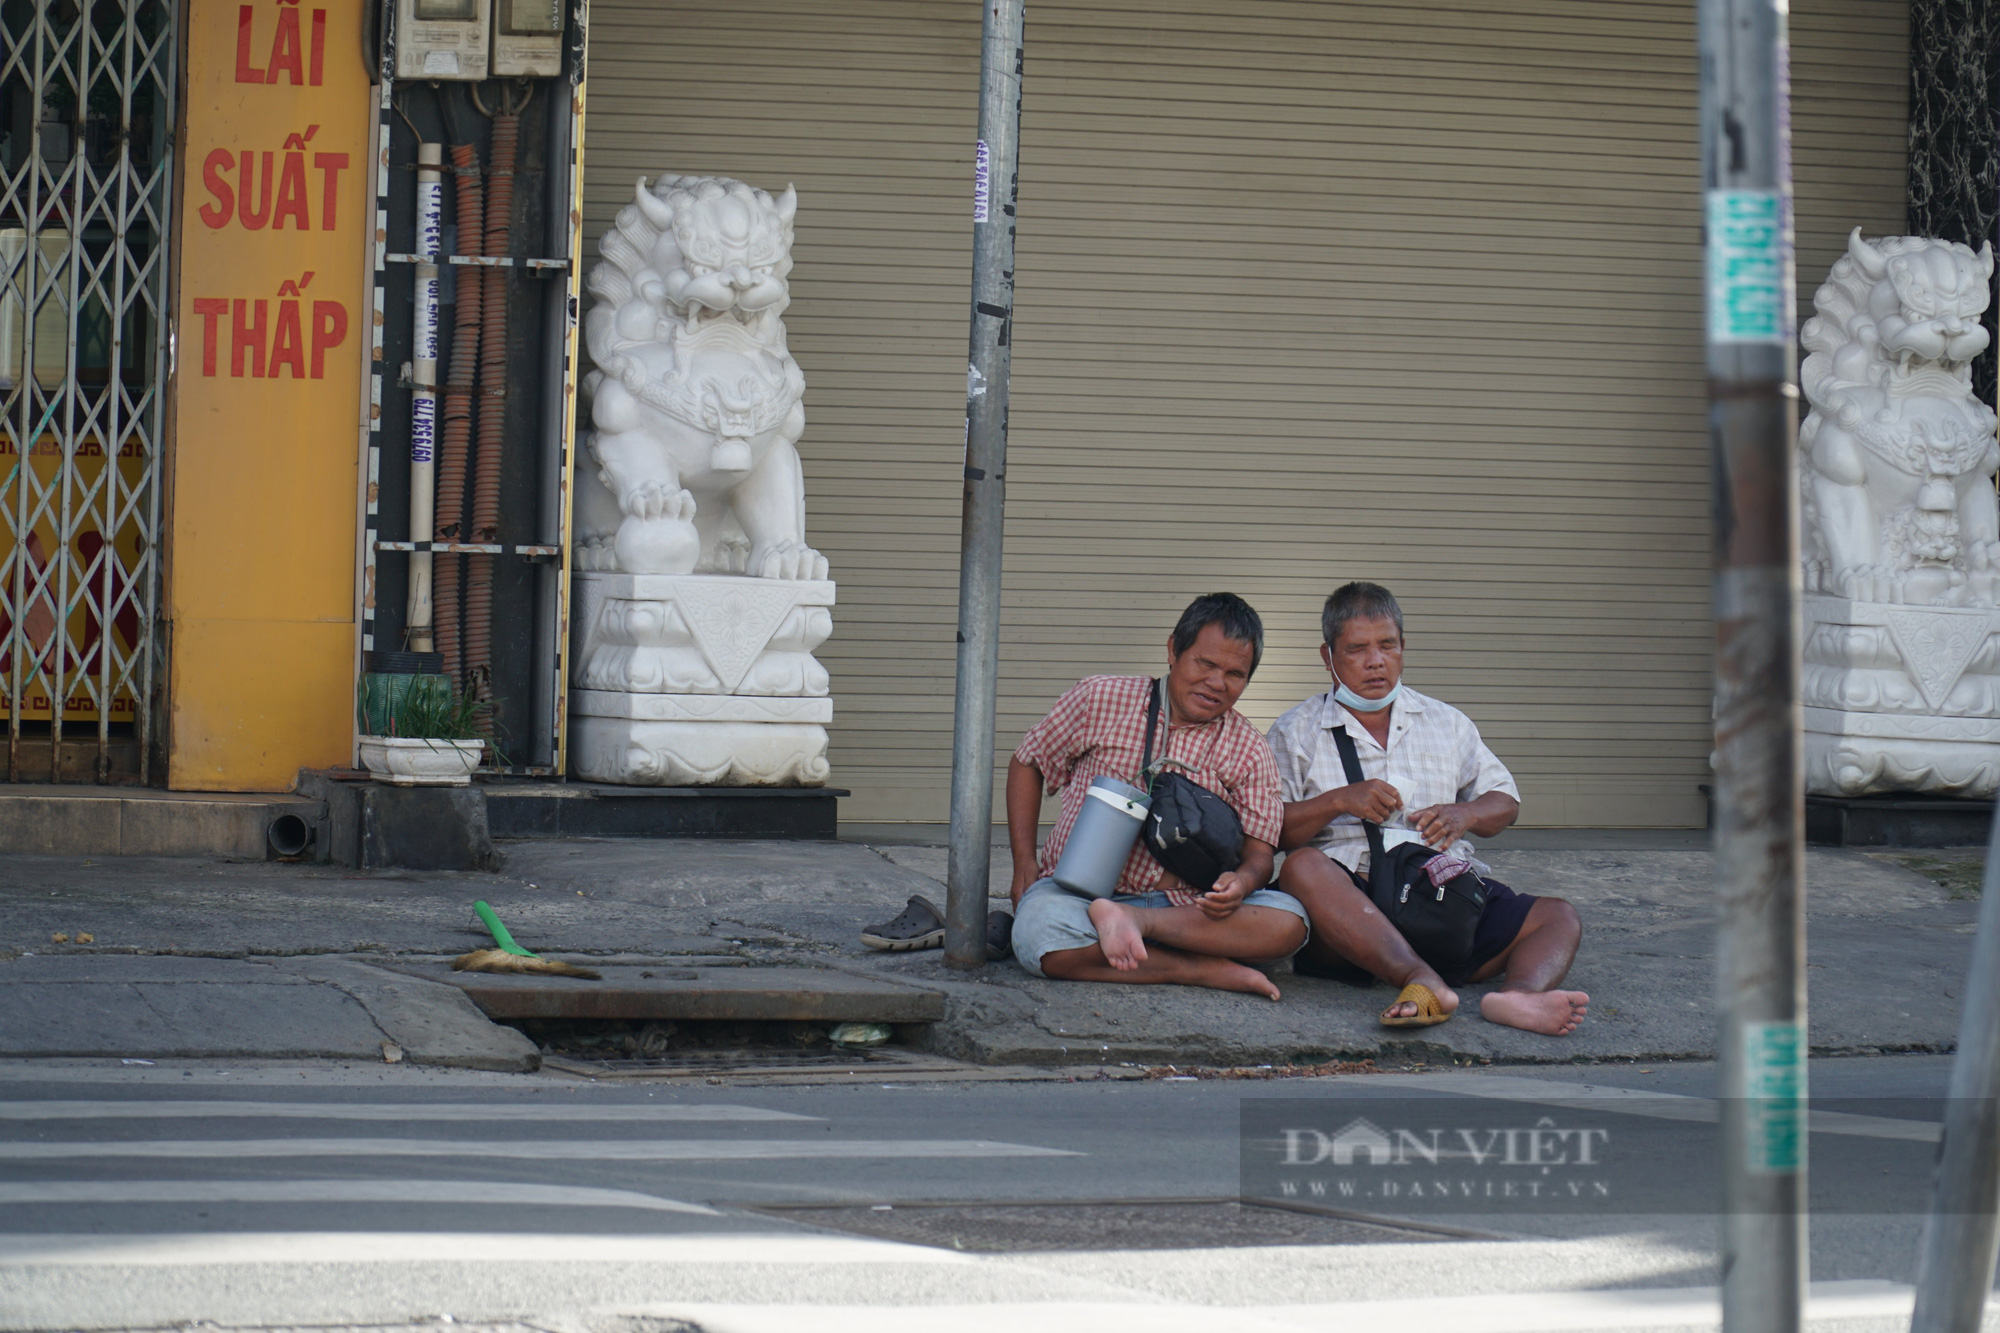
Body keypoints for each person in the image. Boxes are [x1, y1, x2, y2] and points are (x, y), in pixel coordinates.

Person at [1268, 581, 1588, 1035]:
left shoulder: (1446, 722)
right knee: (1302, 867)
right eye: (1357, 649)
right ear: (1328, 657)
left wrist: (1466, 815)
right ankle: (1417, 978)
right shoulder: (1295, 731)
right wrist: (1338, 801)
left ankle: (1519, 997)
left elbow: (1505, 801)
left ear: (1403, 646)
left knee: (1557, 917)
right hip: (1354, 911)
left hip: (1440, 899)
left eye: (1388, 646)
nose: (1376, 662)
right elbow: (1270, 832)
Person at [1007, 593, 1310, 998]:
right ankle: (1199, 969)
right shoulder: (1101, 697)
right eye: (1205, 664)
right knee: (1037, 933)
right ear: (1173, 649)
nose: (1217, 683)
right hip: (1080, 896)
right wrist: (1024, 861)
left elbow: (1259, 853)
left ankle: (1136, 926)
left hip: (1187, 910)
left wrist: (1240, 881)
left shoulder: (1250, 749)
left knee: (1289, 923)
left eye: (1235, 674)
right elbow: (1029, 762)